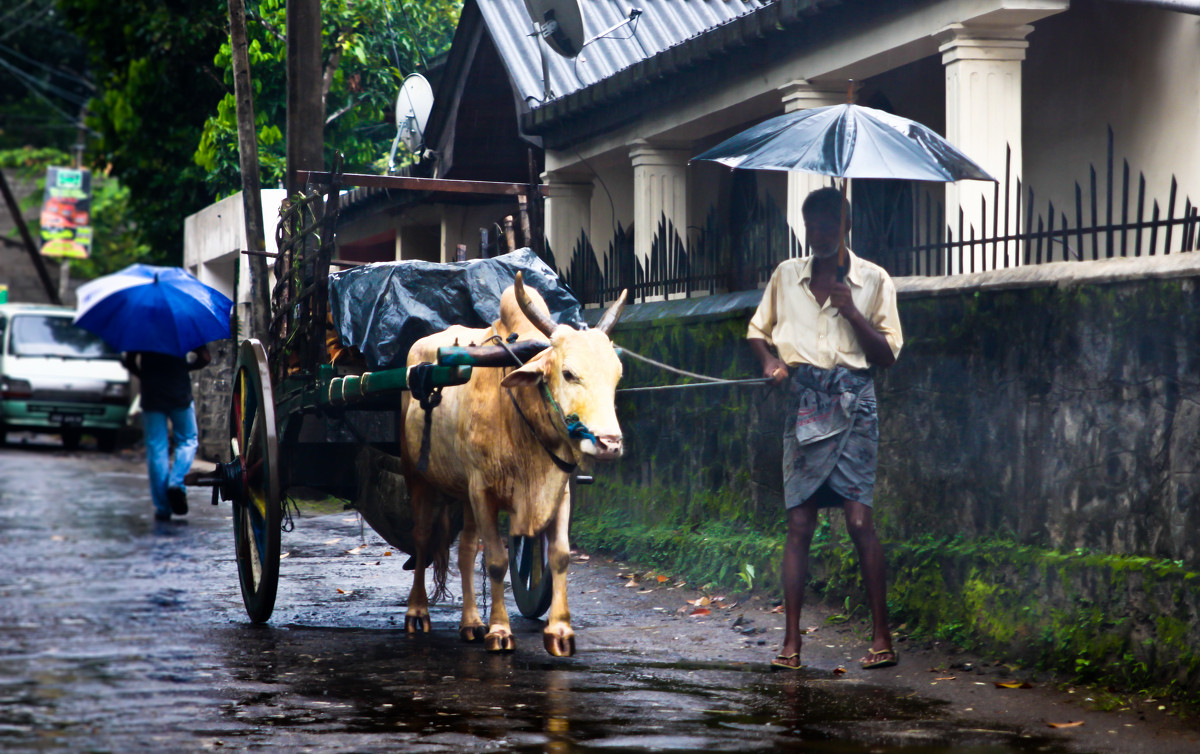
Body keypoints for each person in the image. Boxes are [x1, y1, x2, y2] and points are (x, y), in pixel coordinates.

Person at [747, 186, 904, 671]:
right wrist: (771, 362)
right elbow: (757, 331)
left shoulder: (873, 280)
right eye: (812, 225)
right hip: (803, 403)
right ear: (804, 227)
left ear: (846, 227)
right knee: (799, 523)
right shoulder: (785, 275)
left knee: (859, 522)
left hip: (854, 404)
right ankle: (791, 643)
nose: (820, 234)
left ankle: (882, 637)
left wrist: (852, 309)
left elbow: (887, 355)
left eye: (830, 225)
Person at [122, 346, 211, 522]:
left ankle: (163, 508)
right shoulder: (184, 321)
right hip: (179, 390)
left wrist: (144, 375)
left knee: (157, 448)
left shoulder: (142, 327)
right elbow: (205, 358)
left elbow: (129, 362)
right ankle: (176, 482)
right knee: (187, 440)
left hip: (152, 392)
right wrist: (187, 367)